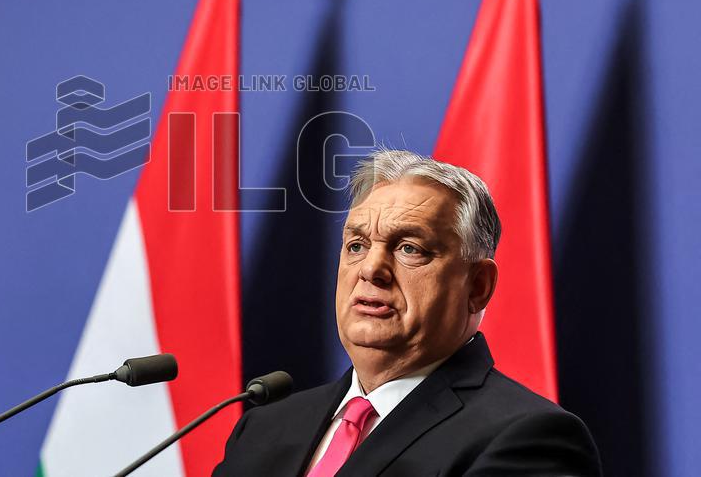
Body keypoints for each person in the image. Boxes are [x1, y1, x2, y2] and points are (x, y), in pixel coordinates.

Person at [213, 149, 601, 476]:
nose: (370, 269)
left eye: (409, 248)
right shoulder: (263, 428)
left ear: (477, 286)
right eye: (356, 246)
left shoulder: (529, 438)